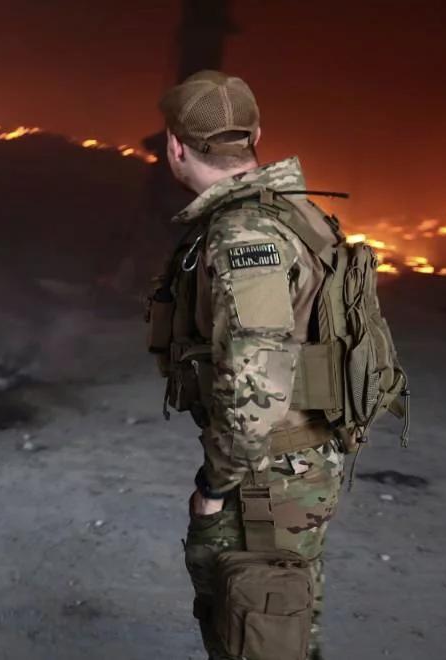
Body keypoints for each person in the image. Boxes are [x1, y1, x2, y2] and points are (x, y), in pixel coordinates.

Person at [152, 70, 345, 660]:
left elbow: (256, 389)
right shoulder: (292, 211)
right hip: (299, 460)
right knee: (281, 622)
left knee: (254, 630)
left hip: (263, 476)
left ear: (175, 146)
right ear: (256, 134)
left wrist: (214, 486)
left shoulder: (244, 235)